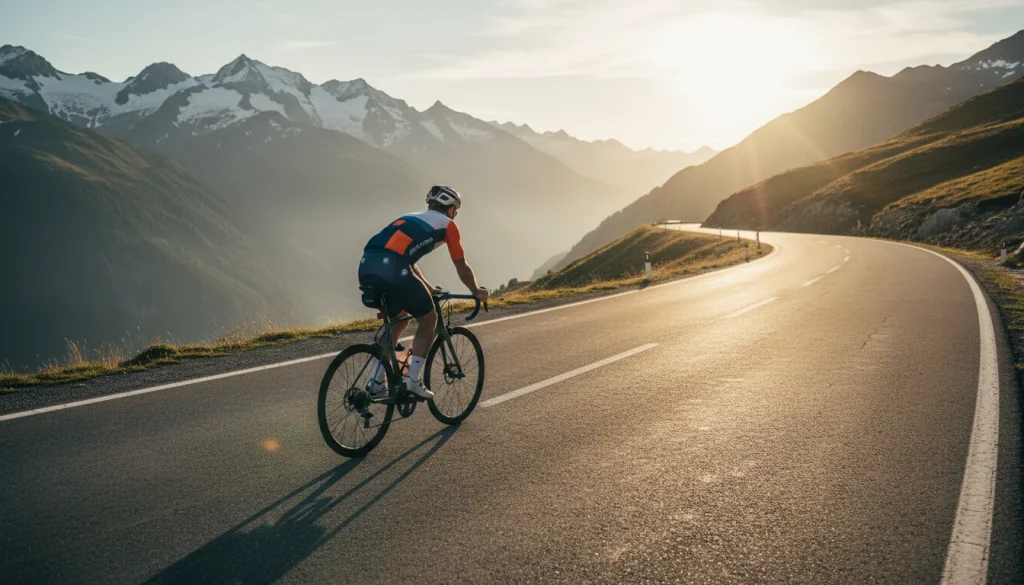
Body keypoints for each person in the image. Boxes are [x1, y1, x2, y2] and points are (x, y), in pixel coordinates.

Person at [358, 185, 488, 399]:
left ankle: (377, 382)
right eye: (455, 210)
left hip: (367, 265)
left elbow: (405, 259)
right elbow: (461, 264)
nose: (454, 214)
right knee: (429, 319)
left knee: (398, 320)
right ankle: (413, 380)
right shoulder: (448, 225)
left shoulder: (410, 217)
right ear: (450, 208)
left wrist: (427, 288)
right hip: (393, 267)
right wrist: (476, 290)